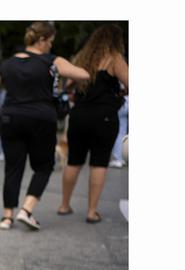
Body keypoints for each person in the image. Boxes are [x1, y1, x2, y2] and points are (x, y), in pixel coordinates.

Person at [0, 21, 89, 230]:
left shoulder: (8, 63)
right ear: (41, 40)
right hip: (41, 119)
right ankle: (26, 210)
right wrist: (64, 82)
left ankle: (7, 217)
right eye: (50, 41)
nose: (51, 45)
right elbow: (83, 75)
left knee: (13, 167)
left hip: (11, 118)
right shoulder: (51, 61)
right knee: (44, 165)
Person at [57, 25, 129, 223]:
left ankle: (64, 205)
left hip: (79, 114)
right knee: (99, 162)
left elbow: (68, 84)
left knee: (74, 161)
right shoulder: (114, 58)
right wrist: (120, 92)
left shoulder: (82, 57)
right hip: (104, 117)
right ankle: (91, 212)